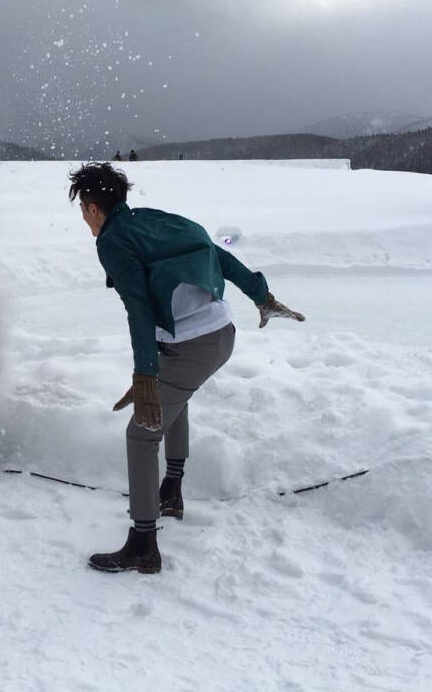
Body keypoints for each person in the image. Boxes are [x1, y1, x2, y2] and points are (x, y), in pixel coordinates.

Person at [68, 163, 304, 573]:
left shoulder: (112, 241)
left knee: (141, 434)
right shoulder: (155, 220)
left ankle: (143, 544)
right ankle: (170, 491)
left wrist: (144, 377)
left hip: (192, 345)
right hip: (220, 335)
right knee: (173, 395)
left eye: (83, 210)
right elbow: (218, 254)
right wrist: (261, 295)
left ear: (92, 209)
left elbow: (138, 308)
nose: (85, 219)